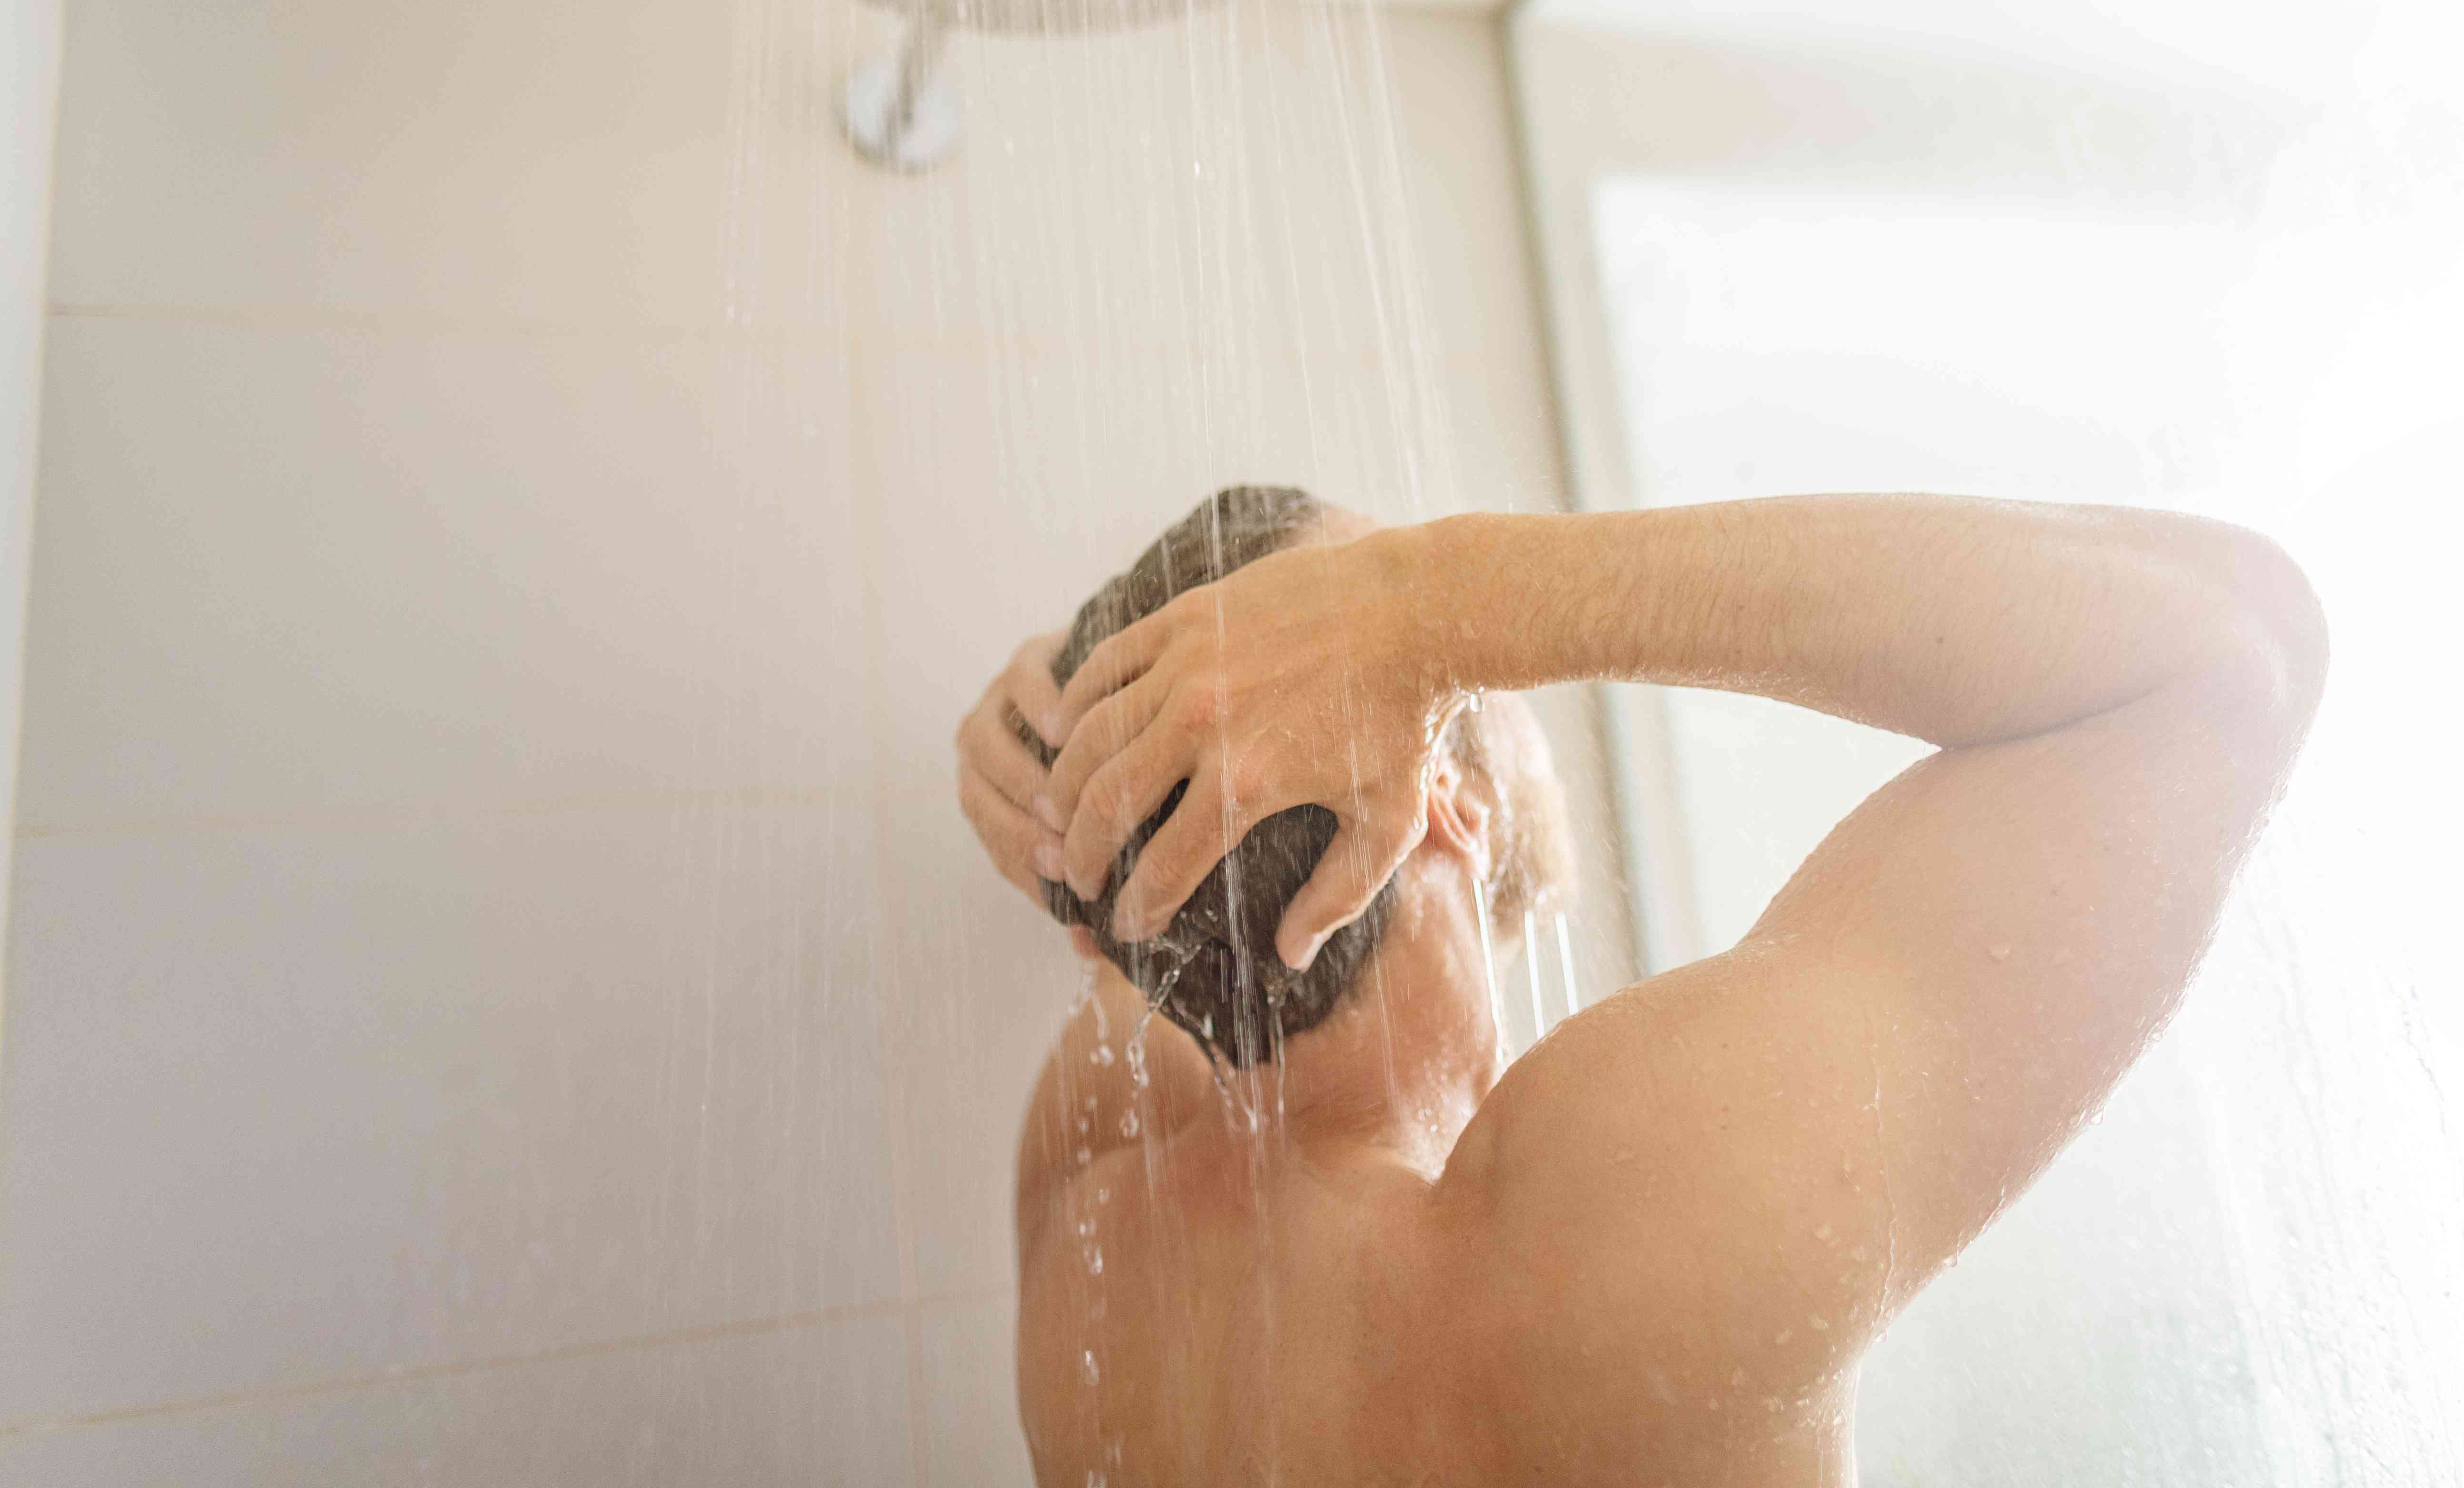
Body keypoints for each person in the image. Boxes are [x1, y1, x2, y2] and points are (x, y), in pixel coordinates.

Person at [953, 485, 2324, 1486]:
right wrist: (1444, 603)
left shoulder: (1101, 1225)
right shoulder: (1629, 1215)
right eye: (1436, 681)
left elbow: (1152, 924)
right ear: (1444, 802)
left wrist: (1071, 770)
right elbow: (2234, 651)